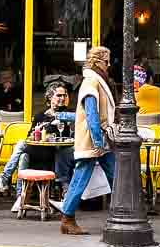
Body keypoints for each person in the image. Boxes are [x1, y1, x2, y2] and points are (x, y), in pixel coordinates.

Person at [50, 45, 116, 236]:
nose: (109, 65)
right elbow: (91, 114)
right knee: (82, 177)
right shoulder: (91, 82)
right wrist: (97, 141)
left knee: (116, 175)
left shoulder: (95, 81)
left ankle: (123, 210)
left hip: (101, 138)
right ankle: (68, 218)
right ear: (98, 62)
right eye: (106, 61)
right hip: (96, 139)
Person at [0, 82, 75, 212]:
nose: (62, 98)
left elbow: (64, 137)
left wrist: (49, 131)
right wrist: (36, 133)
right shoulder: (40, 115)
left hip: (55, 154)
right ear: (50, 97)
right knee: (23, 156)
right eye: (58, 95)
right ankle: (20, 197)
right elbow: (30, 136)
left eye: (64, 95)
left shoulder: (67, 115)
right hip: (38, 152)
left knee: (21, 145)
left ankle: (4, 180)